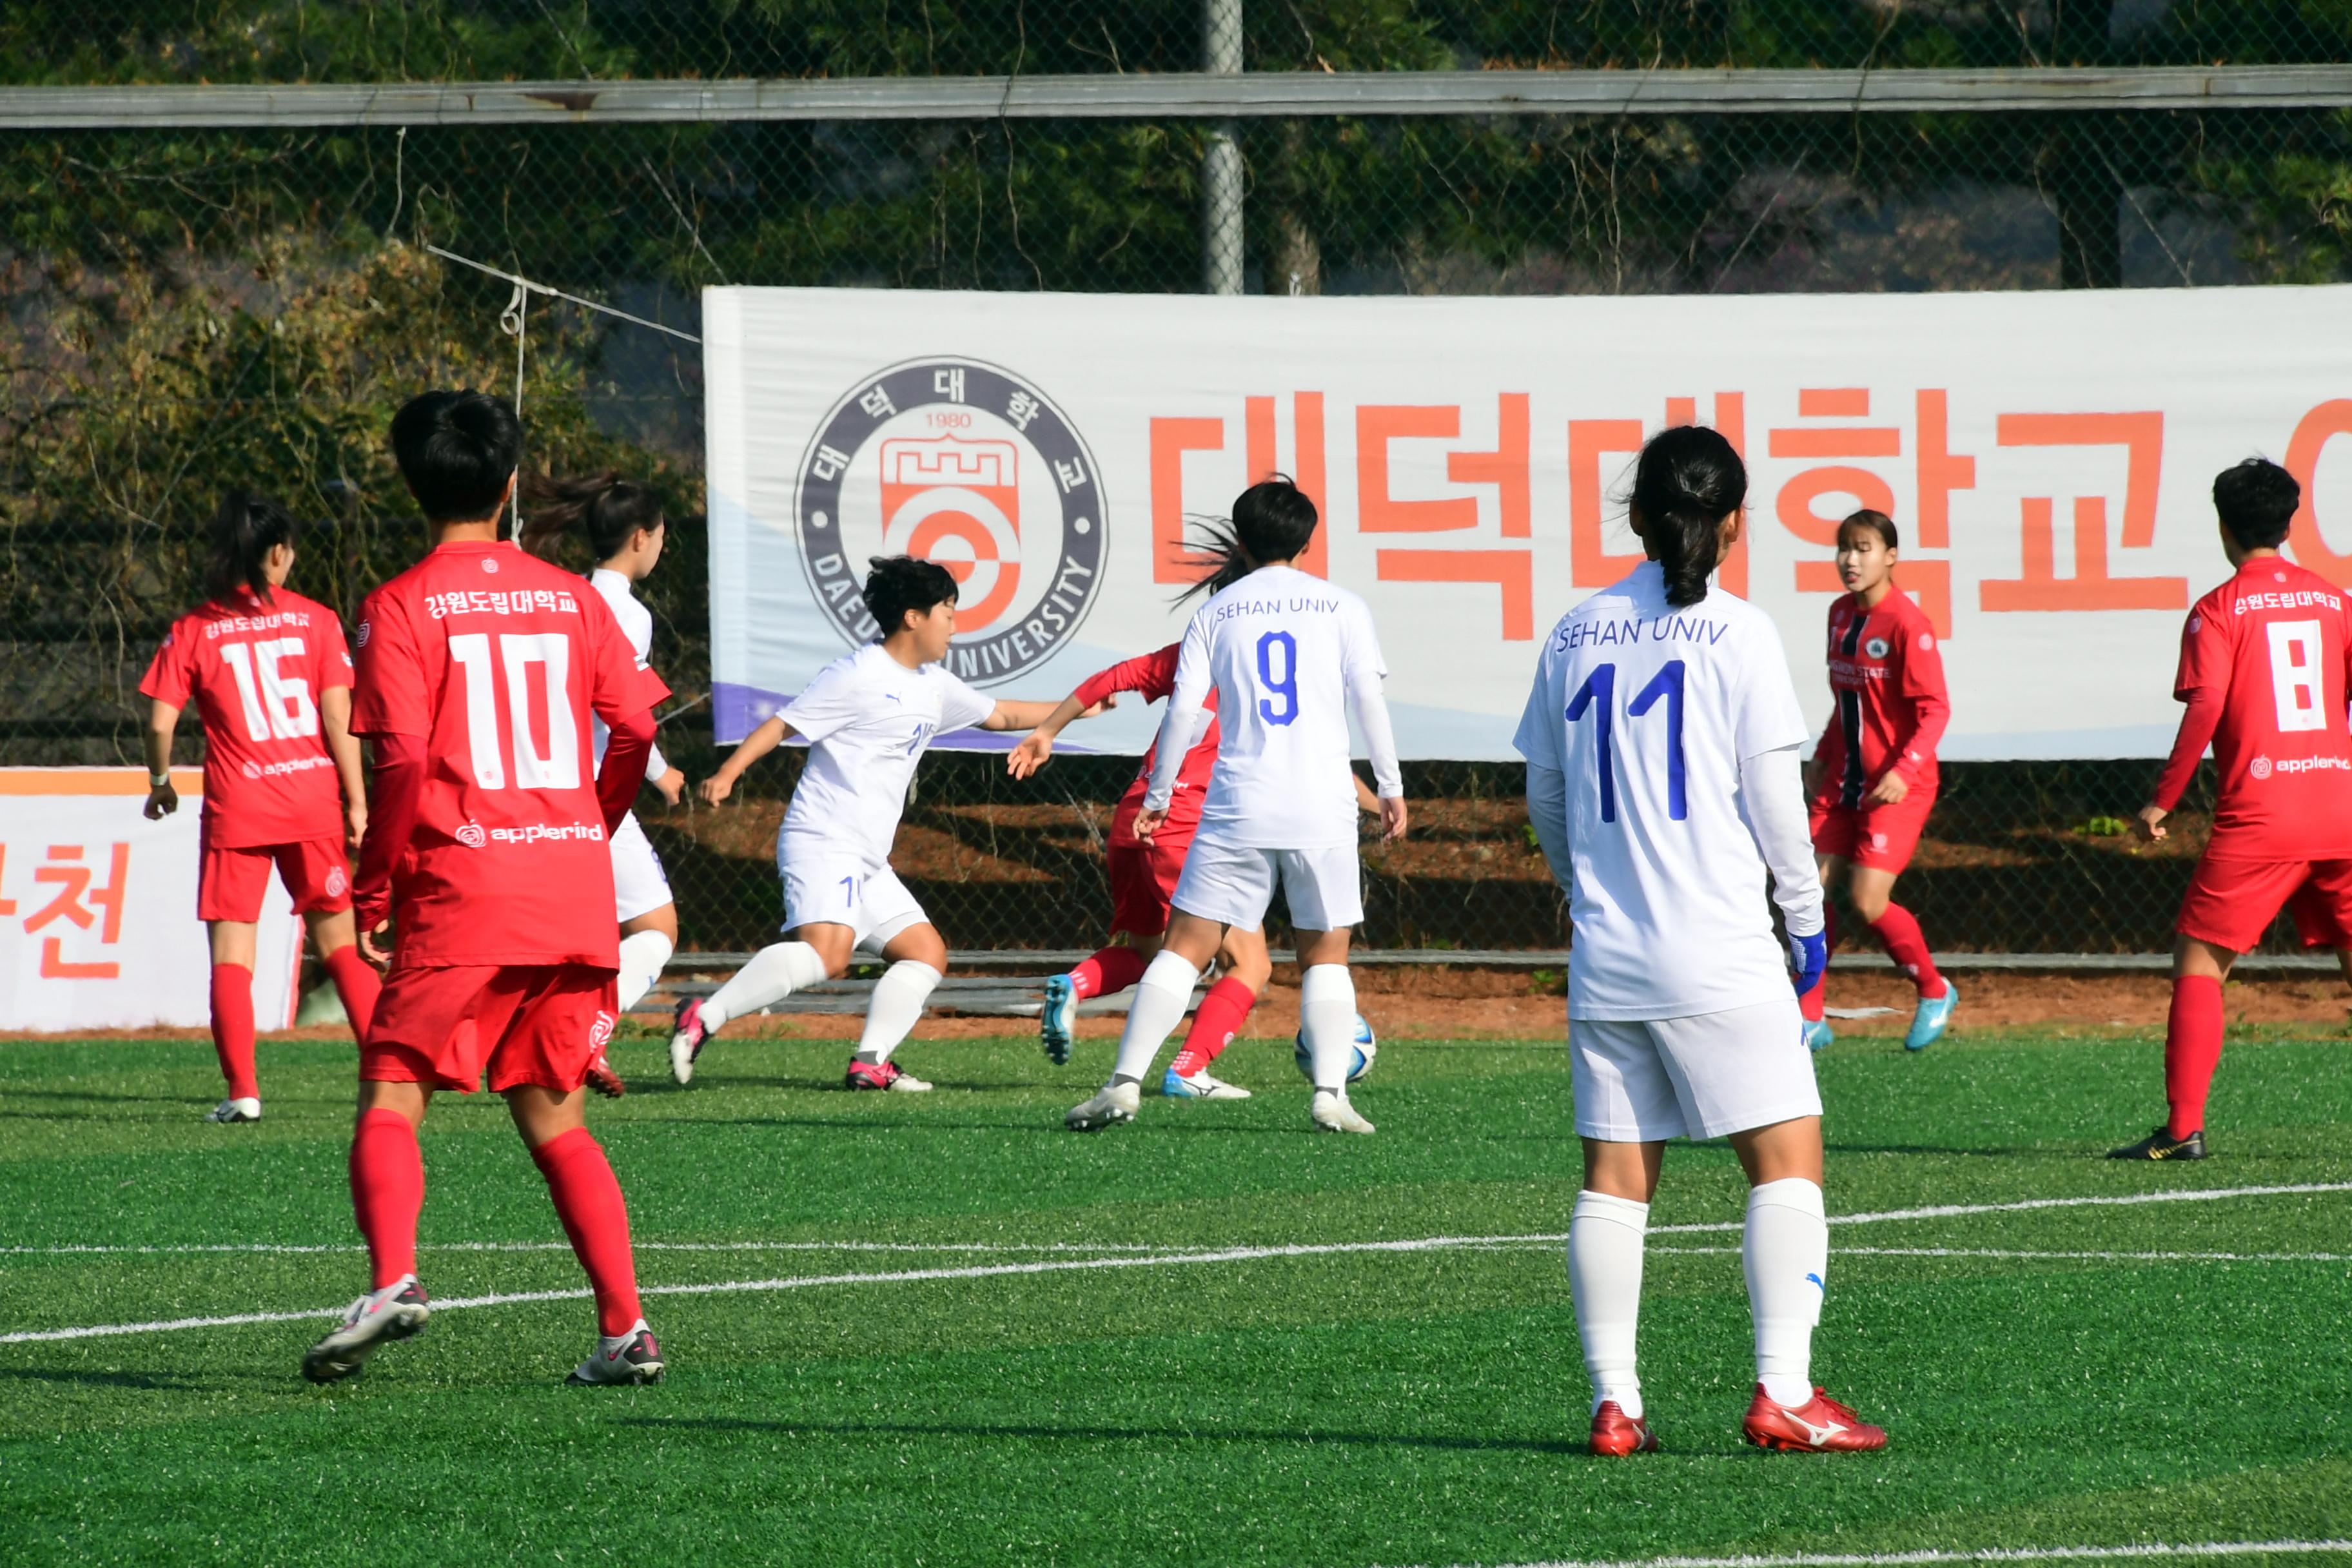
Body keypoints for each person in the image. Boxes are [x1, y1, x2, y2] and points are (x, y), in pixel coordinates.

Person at [1515, 425, 1886, 1458]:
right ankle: (1785, 1391)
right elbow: (1777, 803)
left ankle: (1616, 1405)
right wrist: (1806, 927)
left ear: (1637, 517)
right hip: (1720, 949)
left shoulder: (1577, 630)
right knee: (1787, 1166)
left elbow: (1545, 790)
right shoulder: (1742, 633)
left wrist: (1583, 886)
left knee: (1615, 1182)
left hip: (1610, 956)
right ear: (1735, 523)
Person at [302, 390, 670, 1387]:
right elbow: (637, 730)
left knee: (390, 1091)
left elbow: (404, 764)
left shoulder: (400, 604)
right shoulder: (575, 599)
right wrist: (589, 822)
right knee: (556, 1118)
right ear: (510, 485)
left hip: (465, 885)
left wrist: (375, 888)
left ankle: (393, 1280)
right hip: (568, 886)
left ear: (411, 483)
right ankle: (626, 1329)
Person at [1063, 477, 1406, 1135]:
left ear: (1242, 545)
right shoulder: (1342, 606)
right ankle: (1330, 1094)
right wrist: (1389, 786)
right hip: (1323, 804)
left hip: (1238, 804)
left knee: (1183, 950)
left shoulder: (1217, 612)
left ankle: (1123, 1083)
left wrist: (1158, 795)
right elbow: (1369, 700)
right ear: (1308, 542)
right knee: (1326, 956)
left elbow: (1185, 710)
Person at [669, 556, 1086, 1092]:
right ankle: (703, 1017)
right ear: (914, 617)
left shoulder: (933, 684)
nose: (954, 625)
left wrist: (1075, 708)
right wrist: (728, 773)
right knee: (829, 954)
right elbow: (782, 723)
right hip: (824, 839)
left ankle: (872, 1061)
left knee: (926, 953)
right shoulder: (857, 674)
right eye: (948, 612)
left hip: (866, 857)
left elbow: (1001, 715)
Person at [2113, 458, 2352, 1161]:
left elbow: (2208, 705)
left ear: (2223, 525)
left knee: (2200, 960)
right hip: (2340, 805)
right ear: (2289, 522)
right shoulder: (2335, 600)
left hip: (2263, 815)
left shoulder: (2218, 609)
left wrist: (2163, 800)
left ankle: (2183, 1128)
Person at [139, 492, 382, 1124]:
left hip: (237, 809)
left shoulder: (195, 628)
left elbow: (160, 719)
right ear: (278, 553)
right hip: (310, 803)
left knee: (231, 958)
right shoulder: (318, 619)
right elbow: (339, 715)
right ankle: (387, 1075)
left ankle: (244, 1091)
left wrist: (161, 780)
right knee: (341, 946)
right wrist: (357, 799)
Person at [1010, 639, 1270, 1101]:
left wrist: (1047, 731)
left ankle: (1074, 985)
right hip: (1186, 828)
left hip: (1134, 819)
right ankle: (1188, 1069)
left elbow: (1109, 679)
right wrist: (1379, 801)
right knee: (1248, 963)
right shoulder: (1271, 662)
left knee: (1149, 955)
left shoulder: (1195, 650)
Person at [519, 471, 688, 1054]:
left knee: (559, 934)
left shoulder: (558, 597)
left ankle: (543, 1032)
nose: (663, 548)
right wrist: (661, 772)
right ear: (640, 538)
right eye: (663, 537)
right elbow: (624, 710)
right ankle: (581, 1036)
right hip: (590, 793)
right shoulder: (627, 613)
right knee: (657, 927)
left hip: (531, 784)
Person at [1799, 509, 1957, 1053]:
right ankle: (1810, 1016)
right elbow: (1849, 702)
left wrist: (1902, 769)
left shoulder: (1908, 624)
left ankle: (1934, 990)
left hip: (1896, 787)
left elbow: (1935, 710)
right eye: (1844, 547)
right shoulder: (1840, 614)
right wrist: (1822, 754)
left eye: (1864, 548)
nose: (1850, 559)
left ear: (1891, 557)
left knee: (1867, 902)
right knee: (1806, 895)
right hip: (1840, 781)